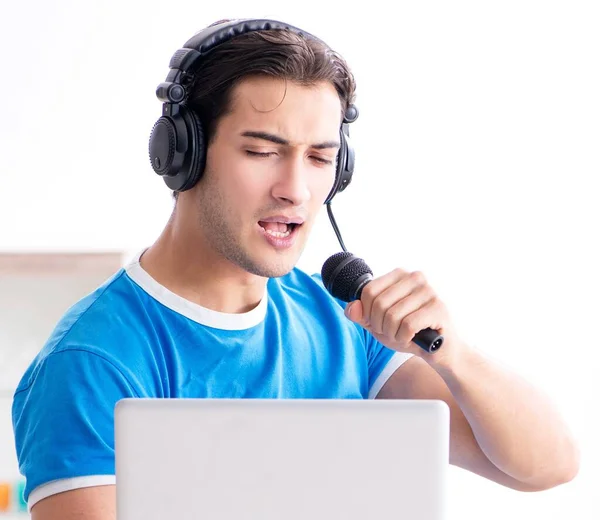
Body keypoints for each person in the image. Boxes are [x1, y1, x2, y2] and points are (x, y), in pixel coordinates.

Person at [12, 17, 579, 520]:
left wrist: (454, 357)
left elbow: (547, 466)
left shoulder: (344, 323)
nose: (295, 189)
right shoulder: (92, 363)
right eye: (261, 152)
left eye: (320, 157)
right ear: (181, 153)